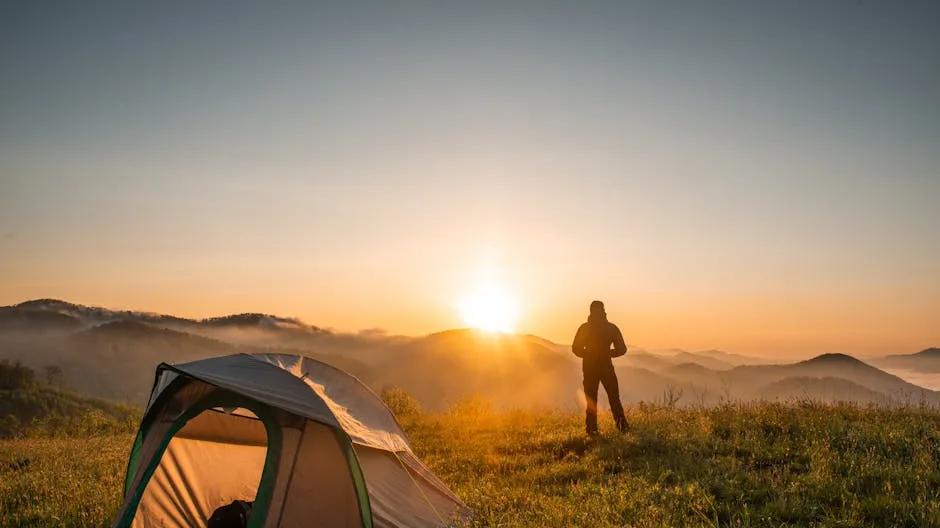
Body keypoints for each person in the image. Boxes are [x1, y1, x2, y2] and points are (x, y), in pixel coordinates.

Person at [572, 300, 628, 435]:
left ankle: (592, 431)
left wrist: (588, 354)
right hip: (606, 367)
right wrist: (607, 353)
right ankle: (623, 428)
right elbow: (622, 349)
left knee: (592, 401)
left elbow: (576, 349)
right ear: (604, 310)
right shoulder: (611, 328)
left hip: (590, 368)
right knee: (614, 399)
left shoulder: (585, 328)